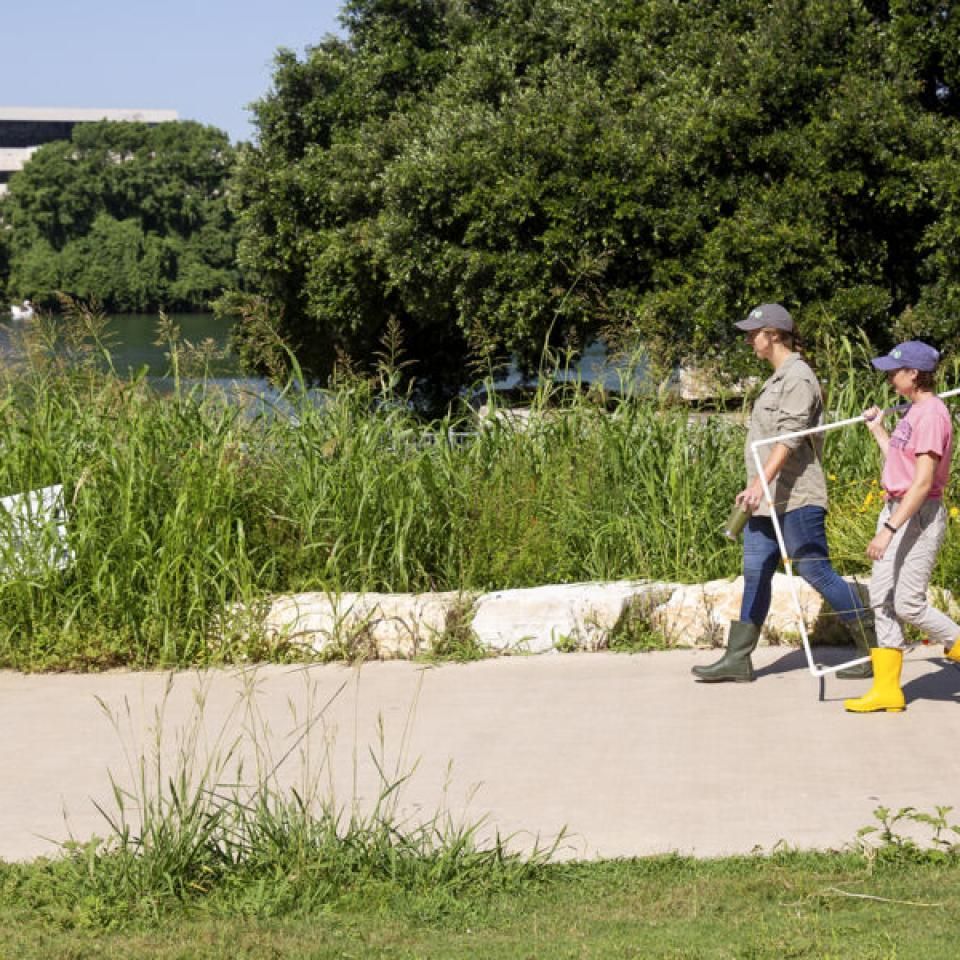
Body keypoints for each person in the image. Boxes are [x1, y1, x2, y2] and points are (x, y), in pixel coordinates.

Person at [692, 303, 873, 683]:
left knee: (814, 570)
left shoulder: (798, 378)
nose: (748, 339)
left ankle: (874, 647)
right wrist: (758, 489)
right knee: (755, 573)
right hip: (765, 503)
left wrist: (758, 483)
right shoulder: (777, 378)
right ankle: (737, 658)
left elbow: (788, 438)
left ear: (773, 334)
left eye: (753, 333)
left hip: (796, 498)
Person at [844, 340, 960, 713]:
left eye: (895, 372)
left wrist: (889, 529)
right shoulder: (914, 412)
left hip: (918, 514)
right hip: (896, 508)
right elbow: (901, 467)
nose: (890, 378)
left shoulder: (932, 415)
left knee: (908, 602)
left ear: (914, 373)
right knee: (882, 598)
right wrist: (879, 431)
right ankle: (887, 690)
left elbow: (923, 483)